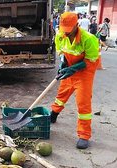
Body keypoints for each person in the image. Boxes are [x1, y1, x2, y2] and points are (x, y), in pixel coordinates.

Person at [50, 12, 100, 149]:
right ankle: (54, 113)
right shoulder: (60, 36)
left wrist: (74, 68)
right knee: (62, 94)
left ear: (76, 26)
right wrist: (63, 65)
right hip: (70, 68)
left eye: (68, 30)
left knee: (83, 102)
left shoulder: (88, 39)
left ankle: (84, 135)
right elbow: (63, 54)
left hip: (85, 72)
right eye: (63, 29)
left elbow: (91, 60)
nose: (65, 33)